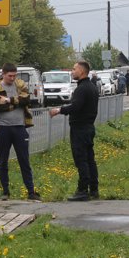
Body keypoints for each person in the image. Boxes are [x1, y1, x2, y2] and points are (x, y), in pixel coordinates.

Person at [0, 63, 41, 201]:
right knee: (3, 160)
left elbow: (27, 100)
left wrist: (9, 100)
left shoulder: (20, 84)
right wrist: (17, 102)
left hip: (20, 127)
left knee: (24, 160)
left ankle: (31, 191)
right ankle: (5, 191)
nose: (12, 78)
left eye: (14, 75)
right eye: (10, 76)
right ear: (3, 74)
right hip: (3, 128)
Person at [49, 61, 99, 201]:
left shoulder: (82, 89)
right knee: (90, 160)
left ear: (82, 72)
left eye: (74, 69)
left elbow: (75, 107)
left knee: (81, 159)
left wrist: (59, 110)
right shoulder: (92, 87)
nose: (72, 71)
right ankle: (94, 189)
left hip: (80, 129)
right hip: (88, 127)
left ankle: (83, 190)